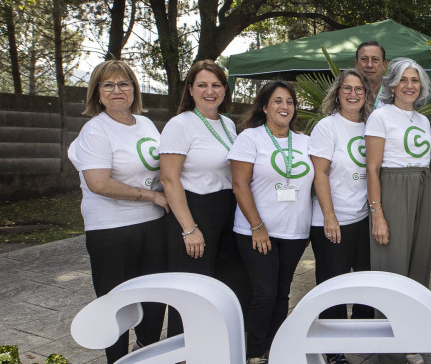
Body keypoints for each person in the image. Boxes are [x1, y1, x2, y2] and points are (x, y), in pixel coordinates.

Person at [67, 60, 167, 362]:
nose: (116, 90)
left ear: (134, 90)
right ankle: (117, 359)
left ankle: (146, 353)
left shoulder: (145, 124)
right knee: (117, 303)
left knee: (153, 299)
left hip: (152, 225)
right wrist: (151, 195)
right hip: (111, 229)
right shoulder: (96, 130)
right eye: (107, 85)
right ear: (97, 94)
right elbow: (98, 183)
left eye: (124, 84)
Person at [159, 59, 249, 338]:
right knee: (191, 291)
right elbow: (169, 179)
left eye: (216, 85)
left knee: (227, 285)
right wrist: (189, 228)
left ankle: (218, 347)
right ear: (190, 89)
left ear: (225, 89)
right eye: (202, 85)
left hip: (227, 211)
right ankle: (183, 353)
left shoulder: (228, 124)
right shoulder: (180, 125)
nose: (210, 91)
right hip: (195, 211)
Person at [228, 81, 315, 364]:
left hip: (295, 230)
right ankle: (253, 353)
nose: (284, 107)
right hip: (256, 231)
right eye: (278, 101)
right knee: (263, 292)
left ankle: (273, 348)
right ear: (265, 107)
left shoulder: (305, 141)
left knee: (281, 292)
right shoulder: (250, 138)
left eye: (289, 102)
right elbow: (240, 185)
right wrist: (257, 226)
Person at [364, 57, 431, 364]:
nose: (409, 86)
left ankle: (410, 339)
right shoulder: (380, 117)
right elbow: (372, 168)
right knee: (391, 269)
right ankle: (390, 351)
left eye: (415, 80)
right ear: (392, 85)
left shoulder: (423, 120)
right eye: (404, 80)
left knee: (417, 267)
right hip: (391, 190)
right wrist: (377, 213)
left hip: (421, 187)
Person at [309, 69, 376, 364]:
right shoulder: (327, 127)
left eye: (358, 89)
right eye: (347, 89)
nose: (353, 94)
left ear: (366, 94)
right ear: (337, 93)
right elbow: (319, 173)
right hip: (333, 220)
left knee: (363, 281)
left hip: (363, 218)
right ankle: (332, 347)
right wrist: (330, 216)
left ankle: (360, 334)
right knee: (332, 285)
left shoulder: (371, 126)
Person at [354, 41, 388, 108]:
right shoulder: (345, 95)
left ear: (384, 65)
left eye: (375, 59)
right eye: (364, 59)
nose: (369, 65)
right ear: (356, 64)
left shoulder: (395, 96)